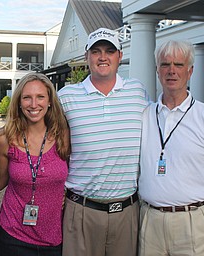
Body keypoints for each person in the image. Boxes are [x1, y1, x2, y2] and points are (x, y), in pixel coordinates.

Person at [57, 27, 149, 256]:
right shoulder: (67, 97)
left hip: (126, 212)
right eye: (96, 51)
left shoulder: (137, 91)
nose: (103, 57)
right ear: (87, 56)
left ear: (119, 56)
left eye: (109, 51)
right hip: (82, 211)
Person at [138, 40, 204, 255]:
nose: (172, 71)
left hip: (192, 224)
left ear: (190, 71)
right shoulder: (144, 115)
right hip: (150, 221)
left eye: (179, 64)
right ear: (157, 71)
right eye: (165, 64)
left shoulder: (202, 116)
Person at [0, 72, 70, 256]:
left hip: (53, 238)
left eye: (40, 97)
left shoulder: (64, 136)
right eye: (27, 98)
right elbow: (0, 180)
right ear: (19, 102)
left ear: (50, 101)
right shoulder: (5, 139)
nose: (34, 104)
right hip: (13, 236)